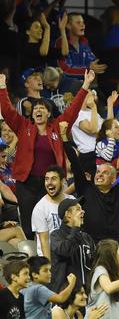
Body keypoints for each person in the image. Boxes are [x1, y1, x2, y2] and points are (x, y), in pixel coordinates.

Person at [0, 70, 93, 240]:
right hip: (26, 184)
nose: (38, 110)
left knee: (50, 221)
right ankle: (32, 259)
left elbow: (72, 111)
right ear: (32, 114)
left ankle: (52, 255)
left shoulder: (56, 126)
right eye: (36, 109)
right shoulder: (23, 126)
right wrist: (1, 87)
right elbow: (7, 111)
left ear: (49, 113)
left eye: (42, 108)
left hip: (49, 183)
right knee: (28, 225)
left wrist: (85, 86)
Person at [49, 198, 96, 292]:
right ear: (68, 214)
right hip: (66, 295)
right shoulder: (56, 235)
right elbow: (65, 250)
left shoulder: (86, 237)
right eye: (78, 209)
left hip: (86, 294)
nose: (83, 211)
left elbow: (95, 262)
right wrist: (76, 228)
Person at [31, 165, 75, 258]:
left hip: (71, 254)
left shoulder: (72, 201)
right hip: (53, 257)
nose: (49, 183)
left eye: (53, 179)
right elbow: (44, 241)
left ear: (62, 181)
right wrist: (51, 268)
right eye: (46, 179)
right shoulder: (40, 208)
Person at [55, 13, 106, 92]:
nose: (83, 26)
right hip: (67, 87)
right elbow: (65, 70)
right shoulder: (61, 42)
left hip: (84, 84)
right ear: (68, 26)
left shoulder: (84, 41)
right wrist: (88, 69)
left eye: (83, 22)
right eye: (78, 23)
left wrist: (92, 67)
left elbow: (92, 62)